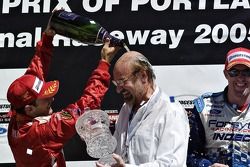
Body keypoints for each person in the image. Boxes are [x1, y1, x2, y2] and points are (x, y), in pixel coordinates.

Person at [6, 18, 120, 166]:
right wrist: (104, 63)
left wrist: (48, 36)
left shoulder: (17, 113)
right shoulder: (42, 131)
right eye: (45, 98)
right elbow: (86, 107)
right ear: (29, 108)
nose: (52, 99)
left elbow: (36, 70)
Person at [96, 51, 190, 167]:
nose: (118, 90)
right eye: (116, 83)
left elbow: (172, 164)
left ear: (143, 76)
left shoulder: (171, 111)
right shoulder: (126, 109)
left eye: (122, 82)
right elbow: (117, 154)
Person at [187, 47, 250, 167]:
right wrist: (207, 166)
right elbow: (190, 153)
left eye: (246, 72)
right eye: (234, 72)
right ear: (226, 74)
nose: (240, 78)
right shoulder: (204, 107)